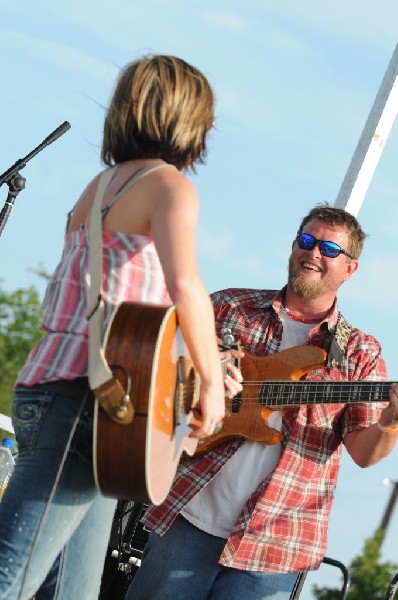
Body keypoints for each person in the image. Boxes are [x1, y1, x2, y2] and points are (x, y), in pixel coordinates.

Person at [0, 54, 230, 600]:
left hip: (73, 396)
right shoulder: (170, 188)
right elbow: (186, 287)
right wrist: (212, 385)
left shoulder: (98, 187)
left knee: (73, 592)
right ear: (189, 119)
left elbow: (125, 311)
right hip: (92, 402)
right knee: (12, 575)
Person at [126, 204, 398, 600]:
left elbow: (363, 451)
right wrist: (203, 376)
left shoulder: (360, 352)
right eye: (307, 241)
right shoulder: (229, 308)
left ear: (350, 268)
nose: (314, 253)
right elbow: (152, 357)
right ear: (293, 247)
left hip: (278, 543)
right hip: (191, 513)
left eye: (329, 249)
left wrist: (391, 420)